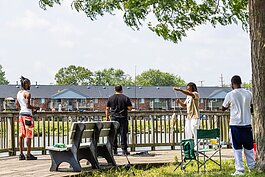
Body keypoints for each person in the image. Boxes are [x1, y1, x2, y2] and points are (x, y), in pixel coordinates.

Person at [222, 75, 255, 176]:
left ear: (232, 84)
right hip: (247, 124)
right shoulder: (249, 93)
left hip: (235, 124)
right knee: (249, 148)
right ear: (241, 83)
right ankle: (252, 167)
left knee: (237, 148)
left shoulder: (230, 94)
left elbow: (224, 107)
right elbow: (252, 108)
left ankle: (240, 170)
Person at [16, 76, 40, 160]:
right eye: (29, 83)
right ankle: (28, 154)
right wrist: (36, 108)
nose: (30, 85)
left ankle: (21, 154)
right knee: (28, 135)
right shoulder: (27, 94)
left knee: (21, 135)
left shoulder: (18, 93)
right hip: (27, 116)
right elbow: (28, 105)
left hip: (21, 115)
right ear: (25, 84)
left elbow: (17, 105)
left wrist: (26, 110)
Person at [105, 85, 132, 155]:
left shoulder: (110, 98)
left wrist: (107, 117)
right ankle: (124, 150)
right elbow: (130, 108)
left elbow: (107, 108)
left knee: (114, 134)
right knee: (123, 134)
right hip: (123, 118)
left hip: (114, 118)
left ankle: (114, 150)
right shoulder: (126, 98)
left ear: (115, 90)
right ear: (122, 90)